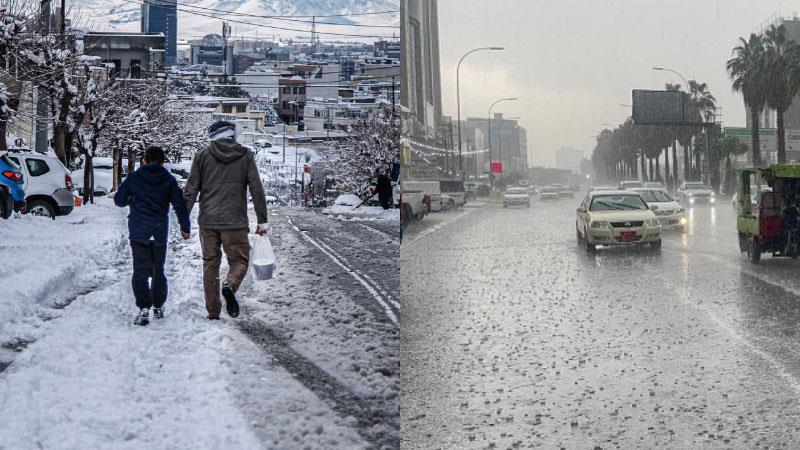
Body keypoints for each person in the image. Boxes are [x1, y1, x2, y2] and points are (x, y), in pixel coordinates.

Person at [183, 120, 269, 320]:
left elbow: (190, 190)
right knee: (239, 260)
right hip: (235, 222)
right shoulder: (246, 155)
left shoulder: (202, 155)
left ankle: (213, 312)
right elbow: (257, 189)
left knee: (210, 264)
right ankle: (230, 284)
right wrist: (262, 221)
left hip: (208, 221)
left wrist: (183, 219)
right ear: (231, 135)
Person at [114, 145, 191, 326]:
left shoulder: (134, 177)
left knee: (140, 270)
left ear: (144, 160)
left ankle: (143, 309)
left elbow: (119, 200)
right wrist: (185, 227)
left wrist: (132, 200)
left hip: (139, 231)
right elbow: (179, 205)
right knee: (158, 269)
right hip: (158, 231)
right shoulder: (168, 179)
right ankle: (157, 306)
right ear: (163, 161)